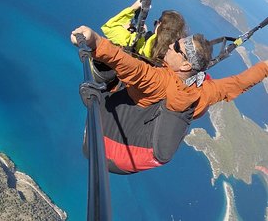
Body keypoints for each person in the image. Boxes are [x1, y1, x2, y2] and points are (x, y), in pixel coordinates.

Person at [71, 25, 268, 174]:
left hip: (100, 142)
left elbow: (131, 67)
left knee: (113, 81)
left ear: (185, 65)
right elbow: (239, 82)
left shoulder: (159, 81)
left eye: (176, 47)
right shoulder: (205, 91)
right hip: (132, 160)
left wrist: (95, 42)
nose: (170, 46)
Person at [101, 0, 187, 63]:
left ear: (160, 25)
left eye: (156, 23)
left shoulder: (137, 42)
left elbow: (109, 27)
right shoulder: (172, 55)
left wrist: (133, 8)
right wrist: (144, 34)